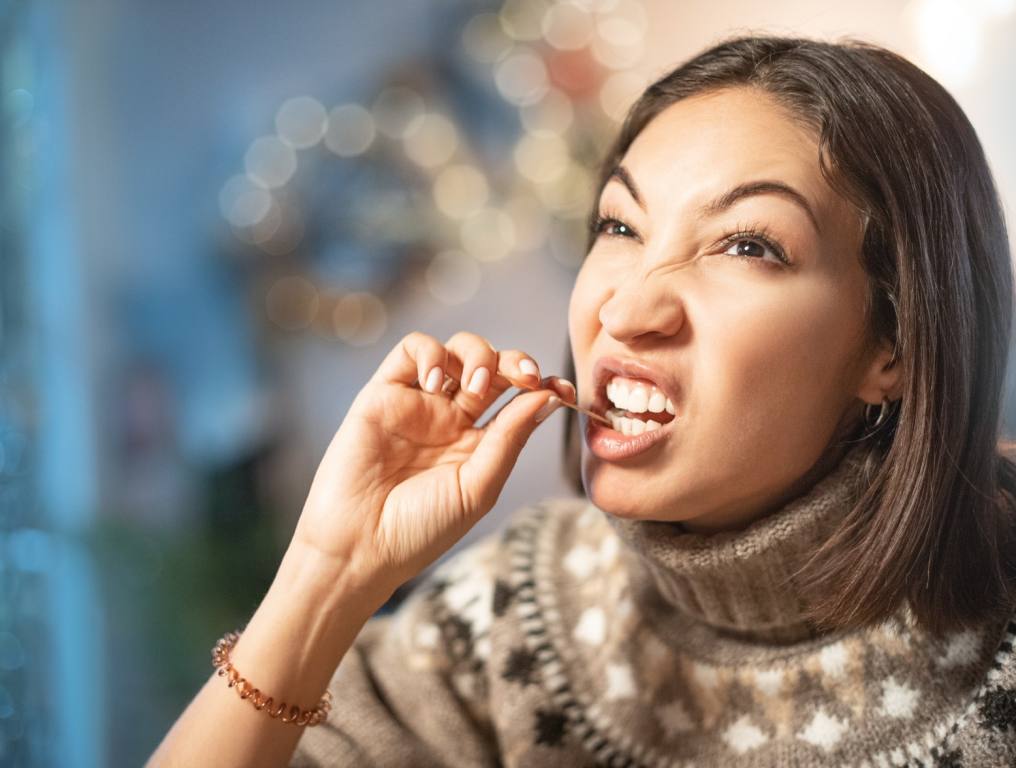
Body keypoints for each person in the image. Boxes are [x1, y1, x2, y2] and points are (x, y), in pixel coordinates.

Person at [148, 35, 1016, 767]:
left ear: (893, 347)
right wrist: (327, 574)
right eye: (620, 227)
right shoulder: (507, 618)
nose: (627, 308)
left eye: (746, 245)